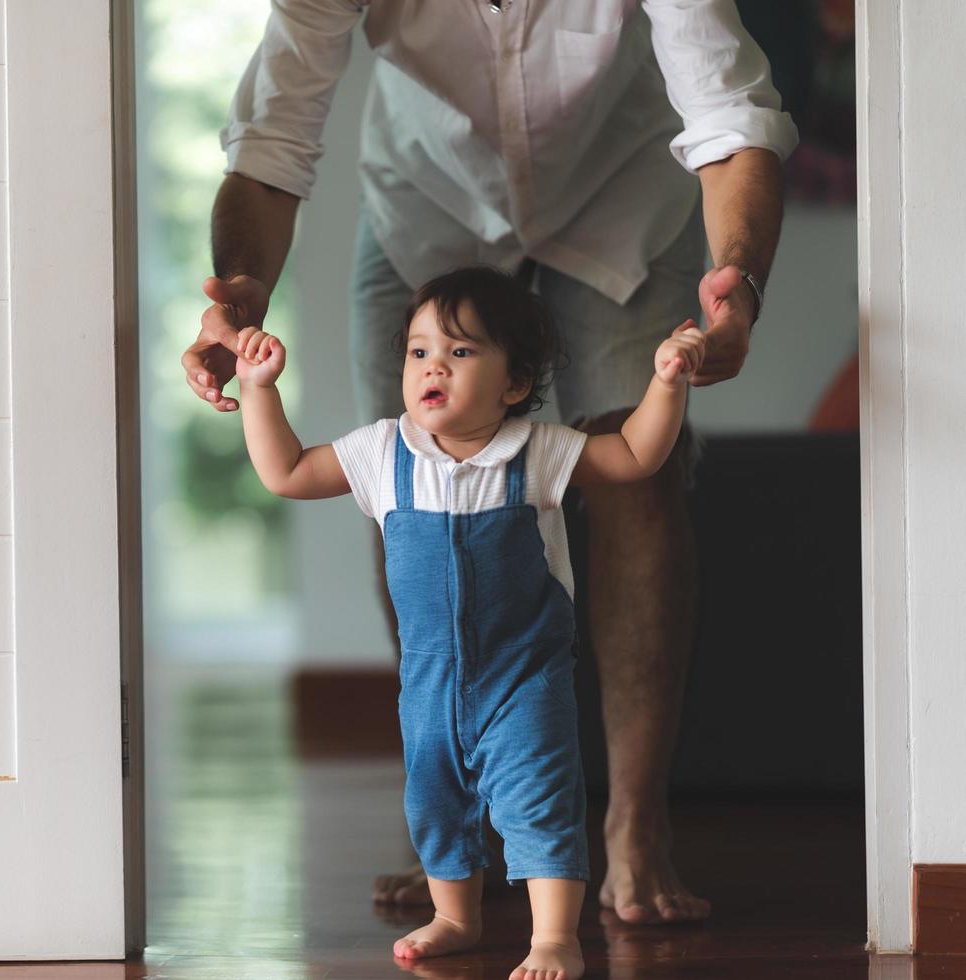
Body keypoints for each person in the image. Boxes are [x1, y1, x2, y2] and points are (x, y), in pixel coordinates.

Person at [181, 0, 797, 923]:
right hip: (424, 207)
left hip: (618, 197)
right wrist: (242, 293)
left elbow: (731, 115)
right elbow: (271, 143)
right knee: (405, 490)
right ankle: (452, 836)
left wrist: (739, 278)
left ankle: (634, 827)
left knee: (643, 479)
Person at [233, 265, 705, 975]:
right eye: (419, 351)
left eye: (461, 352)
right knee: (435, 802)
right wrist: (259, 391)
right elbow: (287, 472)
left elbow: (635, 454)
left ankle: (554, 937)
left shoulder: (536, 452)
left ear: (513, 384)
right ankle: (454, 915)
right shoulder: (382, 452)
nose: (434, 367)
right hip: (429, 685)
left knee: (539, 800)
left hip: (525, 681)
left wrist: (666, 384)